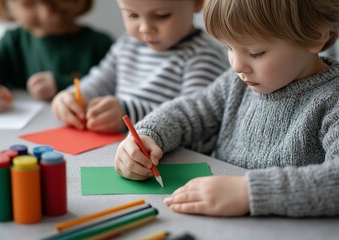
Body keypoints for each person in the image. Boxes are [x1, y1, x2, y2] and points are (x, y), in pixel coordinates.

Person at [114, 0, 339, 217]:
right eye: (228, 47)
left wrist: (248, 192)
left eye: (255, 52)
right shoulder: (238, 82)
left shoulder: (332, 100)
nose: (237, 65)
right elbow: (191, 110)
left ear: (315, 36)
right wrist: (148, 135)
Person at [51, 0, 229, 134]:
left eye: (161, 15)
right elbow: (100, 79)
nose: (145, 28)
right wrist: (75, 97)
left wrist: (127, 113)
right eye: (132, 15)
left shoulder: (203, 57)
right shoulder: (127, 43)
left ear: (197, 3)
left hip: (169, 160)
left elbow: (194, 119)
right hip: (120, 150)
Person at [0, 0, 113, 113]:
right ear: (7, 5)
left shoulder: (100, 44)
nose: (46, 13)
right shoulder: (12, 42)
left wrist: (61, 84)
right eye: (29, 4)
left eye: (56, 2)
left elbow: (115, 86)